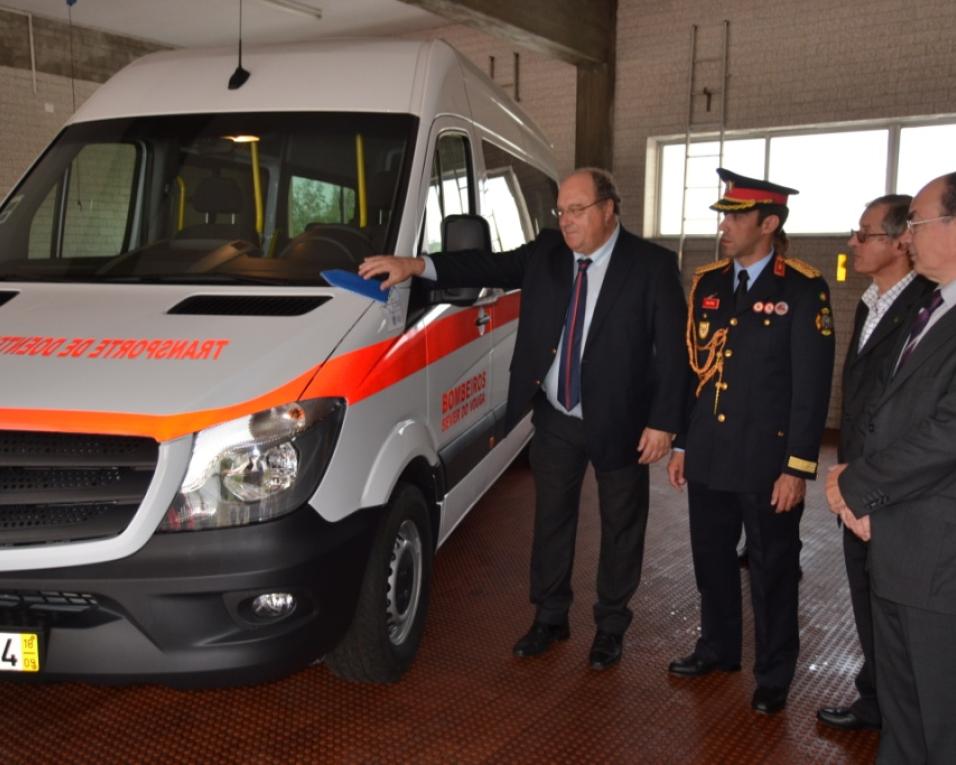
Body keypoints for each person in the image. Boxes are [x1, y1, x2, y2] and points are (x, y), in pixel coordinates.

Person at [359, 168, 687, 670]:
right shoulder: (548, 254)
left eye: (577, 210)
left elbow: (672, 352)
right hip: (556, 414)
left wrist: (664, 422)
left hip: (621, 421)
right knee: (552, 520)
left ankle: (610, 626)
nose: (567, 220)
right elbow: (482, 264)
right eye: (561, 210)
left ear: (608, 210)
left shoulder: (651, 266)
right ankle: (550, 618)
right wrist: (415, 264)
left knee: (622, 525)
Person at [666, 168, 834, 714]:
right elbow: (696, 373)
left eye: (736, 218)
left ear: (769, 224)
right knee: (711, 559)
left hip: (768, 462)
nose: (725, 228)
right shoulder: (710, 284)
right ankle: (717, 647)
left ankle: (774, 671)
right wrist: (685, 446)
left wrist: (798, 467)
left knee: (772, 569)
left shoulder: (803, 288)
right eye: (724, 217)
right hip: (710, 454)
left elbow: (811, 389)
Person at [827, 172, 956, 763]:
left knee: (937, 718)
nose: (909, 238)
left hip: (938, 554)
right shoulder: (932, 304)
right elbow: (884, 404)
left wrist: (856, 484)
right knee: (904, 720)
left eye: (919, 224)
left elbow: (947, 432)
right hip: (899, 539)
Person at [816, 195, 932, 733]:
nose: (853, 243)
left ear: (900, 242)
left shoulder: (927, 308)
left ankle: (897, 705)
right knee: (865, 591)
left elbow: (911, 410)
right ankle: (877, 695)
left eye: (865, 234)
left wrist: (870, 477)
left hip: (894, 484)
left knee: (895, 600)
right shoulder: (869, 301)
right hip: (856, 478)